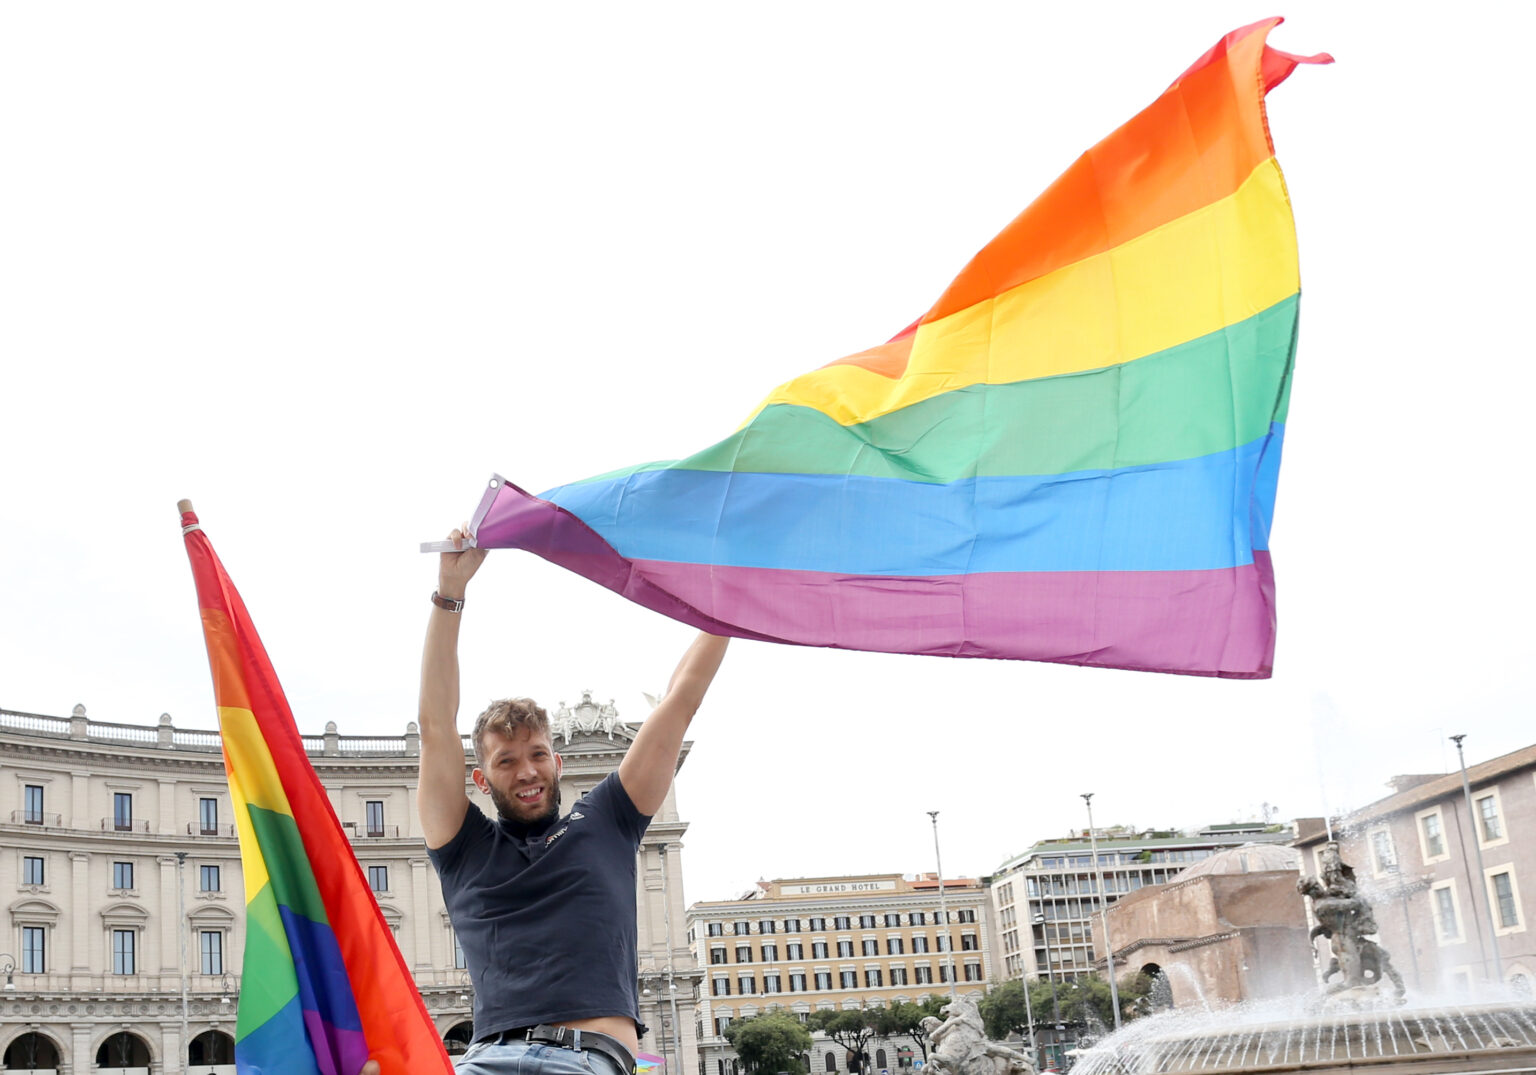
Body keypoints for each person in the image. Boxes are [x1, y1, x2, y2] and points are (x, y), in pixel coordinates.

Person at [417, 527, 730, 1075]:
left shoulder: (607, 820)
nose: (527, 771)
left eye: (536, 754)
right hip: (486, 1059)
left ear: (558, 763)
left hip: (587, 1060)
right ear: (481, 780)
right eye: (506, 761)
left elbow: (680, 701)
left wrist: (726, 594)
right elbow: (435, 727)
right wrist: (449, 593)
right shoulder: (463, 848)